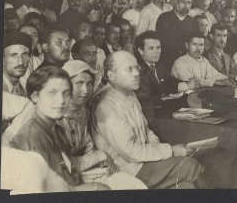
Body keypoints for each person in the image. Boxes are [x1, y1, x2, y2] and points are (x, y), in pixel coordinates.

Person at [90, 51, 204, 189]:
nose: (137, 73)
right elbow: (130, 152)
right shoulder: (106, 106)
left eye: (137, 68)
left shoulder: (130, 94)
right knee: (190, 165)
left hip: (144, 161)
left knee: (187, 187)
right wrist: (171, 151)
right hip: (129, 170)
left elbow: (146, 130)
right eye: (129, 69)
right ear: (111, 76)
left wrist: (160, 152)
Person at [10, 66, 110, 191]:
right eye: (53, 93)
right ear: (35, 96)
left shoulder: (57, 130)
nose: (61, 100)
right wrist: (93, 187)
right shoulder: (32, 136)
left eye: (66, 93)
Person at [60, 61, 148, 190]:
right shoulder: (55, 117)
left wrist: (100, 159)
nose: (85, 90)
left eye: (89, 84)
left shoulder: (82, 112)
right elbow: (64, 163)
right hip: (63, 178)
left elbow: (88, 146)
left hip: (84, 170)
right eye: (79, 83)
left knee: (136, 186)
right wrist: (101, 156)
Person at [135, 31, 198, 97]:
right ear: (141, 50)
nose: (156, 52)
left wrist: (191, 83)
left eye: (158, 47)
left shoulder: (158, 65)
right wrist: (186, 86)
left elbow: (171, 81)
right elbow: (155, 91)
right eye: (151, 48)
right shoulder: (138, 68)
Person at [171, 32, 236, 87]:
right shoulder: (179, 62)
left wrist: (227, 79)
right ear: (187, 45)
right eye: (194, 44)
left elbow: (215, 75)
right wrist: (215, 82)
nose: (198, 48)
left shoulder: (203, 60)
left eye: (201, 45)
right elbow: (193, 82)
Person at [156, 0, 196, 71]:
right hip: (167, 64)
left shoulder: (191, 21)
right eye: (183, 2)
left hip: (186, 64)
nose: (186, 6)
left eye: (189, 3)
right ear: (175, 2)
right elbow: (159, 42)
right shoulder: (164, 18)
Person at [2, 32, 34, 131]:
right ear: (3, 59)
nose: (20, 62)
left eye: (25, 55)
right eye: (14, 55)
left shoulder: (26, 86)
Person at [18, 24, 42, 88]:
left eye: (34, 35)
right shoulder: (9, 61)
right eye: (26, 35)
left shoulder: (39, 62)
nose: (31, 38)